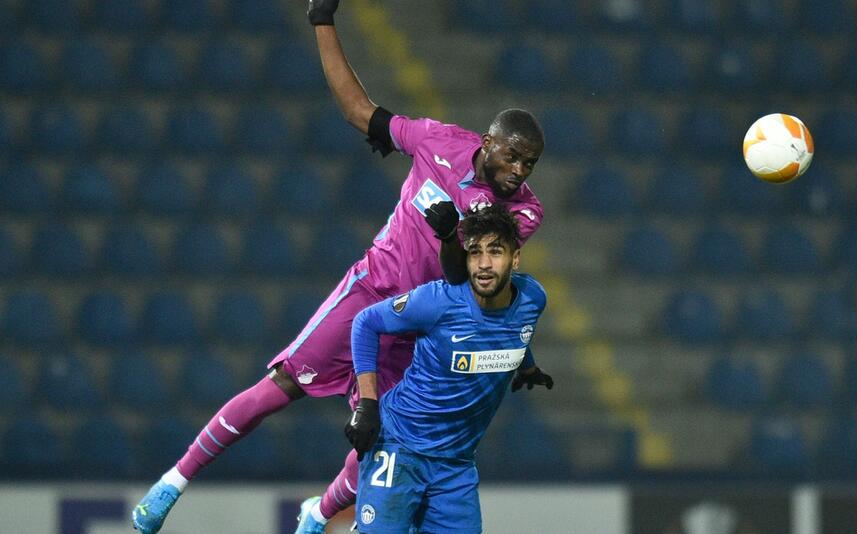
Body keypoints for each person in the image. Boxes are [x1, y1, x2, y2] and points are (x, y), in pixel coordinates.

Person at [131, 0, 547, 532]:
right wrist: (323, 22)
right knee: (279, 386)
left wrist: (452, 235)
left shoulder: (523, 212)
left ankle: (319, 512)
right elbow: (359, 111)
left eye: (528, 164)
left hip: (420, 327)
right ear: (487, 142)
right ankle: (173, 481)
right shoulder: (438, 141)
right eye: (511, 157)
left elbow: (467, 278)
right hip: (372, 290)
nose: (518, 171)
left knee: (381, 436)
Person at [345, 204, 554, 533]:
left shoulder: (532, 298)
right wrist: (367, 405)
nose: (484, 264)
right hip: (400, 445)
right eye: (475, 253)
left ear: (515, 259)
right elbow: (365, 323)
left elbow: (517, 332)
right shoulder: (439, 302)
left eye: (495, 252)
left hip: (456, 464)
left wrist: (526, 366)